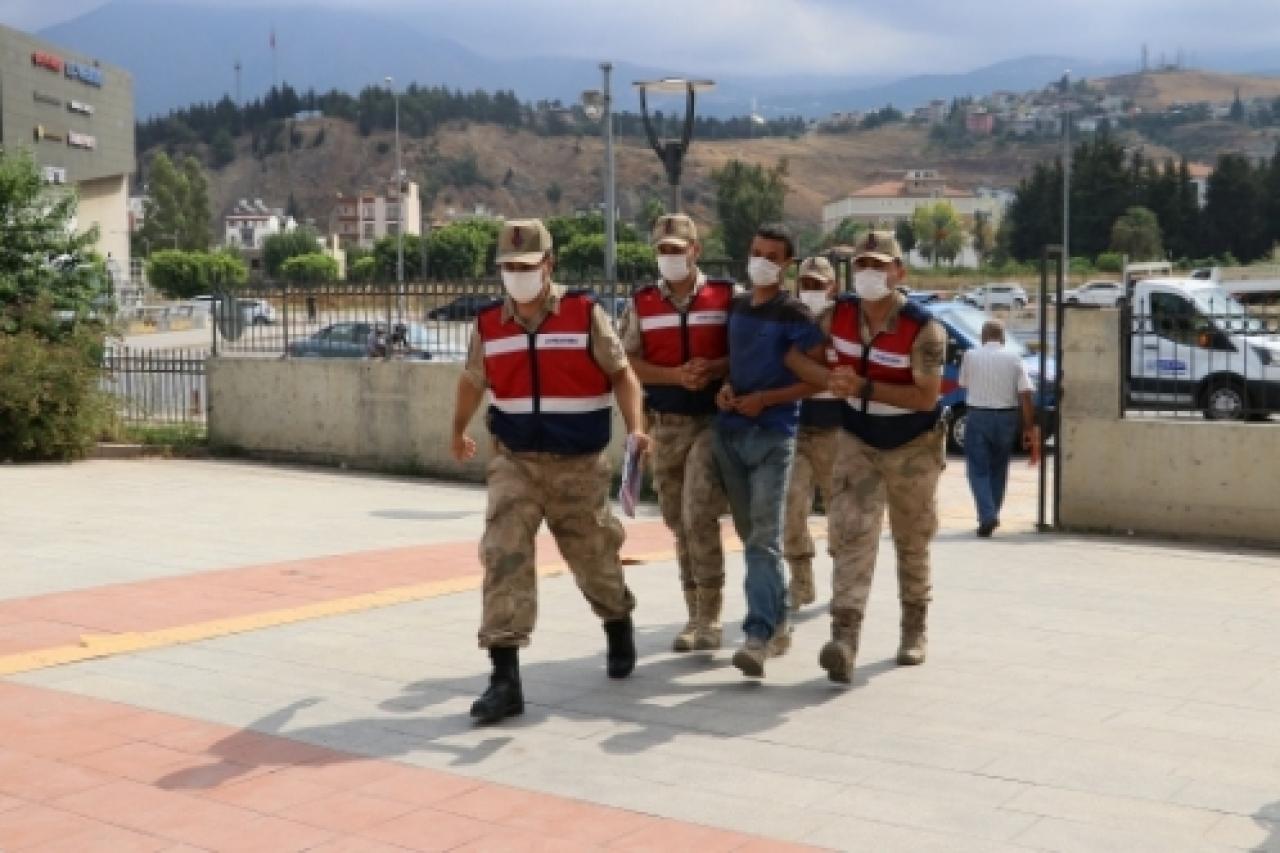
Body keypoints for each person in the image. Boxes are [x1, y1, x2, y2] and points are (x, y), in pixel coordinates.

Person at [451, 218, 651, 724]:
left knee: (593, 558)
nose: (516, 275)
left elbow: (622, 374)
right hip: (515, 461)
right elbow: (473, 379)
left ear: (549, 265)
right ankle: (505, 678)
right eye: (508, 267)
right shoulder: (489, 323)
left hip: (578, 466)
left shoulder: (584, 314)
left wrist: (636, 428)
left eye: (526, 266)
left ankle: (617, 618)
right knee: (503, 554)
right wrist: (458, 428)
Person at [785, 230, 947, 683]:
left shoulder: (923, 328)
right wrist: (828, 377)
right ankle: (844, 638)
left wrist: (863, 386)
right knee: (852, 533)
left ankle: (914, 628)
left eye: (880, 265)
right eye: (863, 265)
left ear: (900, 272)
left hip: (913, 444)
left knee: (912, 538)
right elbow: (797, 358)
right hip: (858, 440)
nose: (870, 273)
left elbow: (926, 397)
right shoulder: (839, 315)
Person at [713, 223, 826, 679]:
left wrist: (770, 399)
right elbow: (735, 362)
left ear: (787, 265)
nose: (761, 260)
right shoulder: (738, 306)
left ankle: (757, 634)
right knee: (751, 535)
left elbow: (818, 377)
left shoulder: (795, 315)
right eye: (756, 251)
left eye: (771, 255)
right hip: (730, 433)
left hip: (773, 436)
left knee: (763, 537)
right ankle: (778, 621)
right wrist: (724, 388)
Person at [619, 214, 731, 652]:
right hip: (666, 425)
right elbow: (627, 363)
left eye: (676, 249)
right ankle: (693, 612)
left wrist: (715, 370)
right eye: (662, 250)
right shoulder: (642, 303)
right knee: (677, 521)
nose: (668, 257)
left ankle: (710, 616)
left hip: (712, 424)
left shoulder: (724, 296)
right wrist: (673, 375)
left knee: (698, 513)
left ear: (694, 251)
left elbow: (743, 350)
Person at [783, 256, 842, 612]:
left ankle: (843, 579)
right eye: (806, 284)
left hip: (835, 428)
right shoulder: (789, 319)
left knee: (841, 510)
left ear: (832, 288)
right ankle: (801, 581)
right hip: (795, 426)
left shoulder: (845, 322)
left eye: (819, 285)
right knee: (791, 506)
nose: (812, 291)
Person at [959, 318, 1037, 537]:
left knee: (977, 469)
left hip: (978, 415)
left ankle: (987, 515)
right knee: (999, 469)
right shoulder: (1014, 358)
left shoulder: (970, 355)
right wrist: (1029, 426)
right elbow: (1026, 394)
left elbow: (962, 383)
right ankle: (990, 513)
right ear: (1002, 338)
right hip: (1006, 417)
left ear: (983, 337)